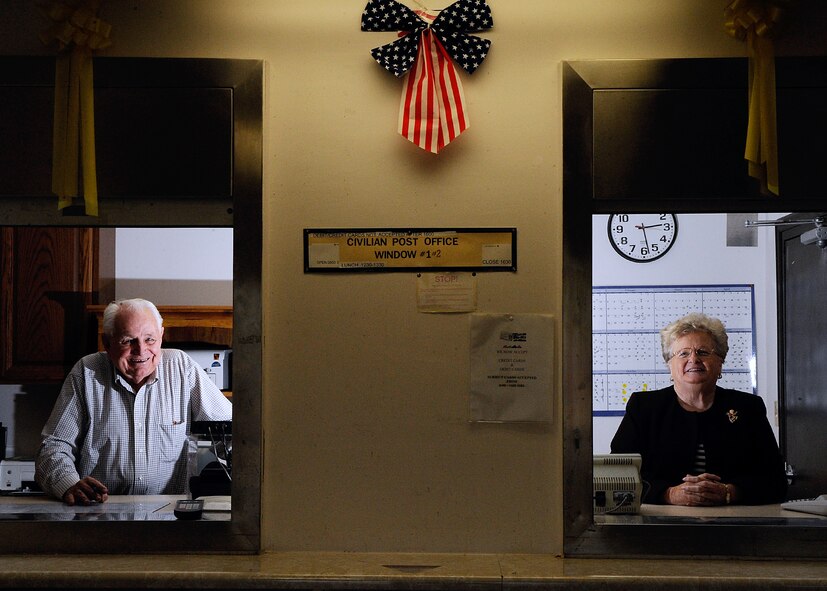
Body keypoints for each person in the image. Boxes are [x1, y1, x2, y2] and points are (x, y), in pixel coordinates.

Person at [35, 298, 232, 505]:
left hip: (169, 516)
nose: (141, 350)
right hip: (98, 514)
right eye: (128, 341)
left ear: (161, 336)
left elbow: (230, 432)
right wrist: (69, 484)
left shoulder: (182, 368)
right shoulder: (86, 372)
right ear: (108, 343)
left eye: (150, 339)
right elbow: (53, 447)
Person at [610, 312, 787, 506]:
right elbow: (619, 475)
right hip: (658, 524)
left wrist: (729, 492)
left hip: (736, 524)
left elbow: (775, 480)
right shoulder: (644, 407)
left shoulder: (747, 407)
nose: (693, 359)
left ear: (720, 363)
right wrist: (669, 494)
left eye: (703, 352)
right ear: (670, 365)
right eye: (683, 353)